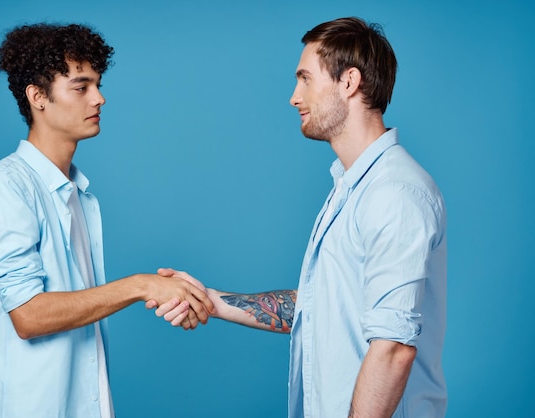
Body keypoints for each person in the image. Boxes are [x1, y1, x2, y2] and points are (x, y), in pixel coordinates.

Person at [152, 16, 447, 418]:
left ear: (349, 82)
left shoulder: (393, 192)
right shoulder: (351, 188)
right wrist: (209, 300)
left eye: (305, 78)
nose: (294, 96)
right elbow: (315, 306)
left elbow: (393, 348)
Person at [0, 23, 213, 418]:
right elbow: (28, 315)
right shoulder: (5, 187)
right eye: (81, 87)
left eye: (97, 84)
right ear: (38, 97)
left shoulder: (78, 195)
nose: (99, 98)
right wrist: (140, 285)